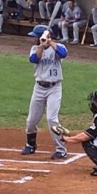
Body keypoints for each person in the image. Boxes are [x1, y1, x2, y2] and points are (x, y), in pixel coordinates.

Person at [22, 25, 68, 159]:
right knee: (31, 120)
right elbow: (34, 59)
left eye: (36, 36)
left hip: (54, 88)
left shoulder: (58, 47)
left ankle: (61, 149)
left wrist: (50, 41)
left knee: (51, 119)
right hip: (39, 88)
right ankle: (30, 145)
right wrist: (42, 45)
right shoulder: (35, 49)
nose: (35, 39)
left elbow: (63, 54)